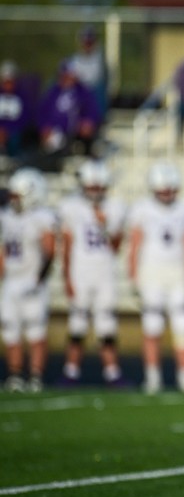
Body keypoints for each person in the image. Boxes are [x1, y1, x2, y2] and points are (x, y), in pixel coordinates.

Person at [127, 161, 184, 395]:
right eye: (162, 191)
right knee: (152, 326)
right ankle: (152, 378)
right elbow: (134, 244)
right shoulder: (142, 209)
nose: (166, 195)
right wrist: (134, 277)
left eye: (169, 190)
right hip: (151, 273)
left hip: (177, 274)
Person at [59, 159, 127, 386]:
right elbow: (67, 245)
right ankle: (71, 372)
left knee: (106, 326)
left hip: (104, 273)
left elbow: (116, 247)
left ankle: (112, 373)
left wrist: (106, 225)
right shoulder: (71, 208)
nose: (95, 192)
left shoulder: (115, 207)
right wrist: (67, 276)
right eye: (91, 187)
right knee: (77, 325)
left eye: (99, 187)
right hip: (81, 273)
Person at [1, 168, 56, 393]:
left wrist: (39, 279)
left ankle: (35, 376)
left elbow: (50, 251)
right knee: (10, 331)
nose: (14, 200)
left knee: (36, 332)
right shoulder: (4, 216)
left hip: (32, 281)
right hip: (11, 282)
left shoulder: (41, 218)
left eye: (18, 195)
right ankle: (14, 376)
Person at [39, 62, 100, 165]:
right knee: (50, 148)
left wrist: (88, 122)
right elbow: (41, 112)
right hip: (55, 131)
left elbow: (93, 111)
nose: (67, 79)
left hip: (75, 132)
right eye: (65, 76)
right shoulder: (53, 92)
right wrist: (44, 127)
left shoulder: (83, 92)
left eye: (70, 75)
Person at [0, 61, 38, 161]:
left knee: (15, 139)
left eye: (10, 81)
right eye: (6, 81)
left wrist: (8, 130)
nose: (8, 84)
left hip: (15, 131)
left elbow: (25, 118)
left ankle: (14, 161)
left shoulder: (22, 97)